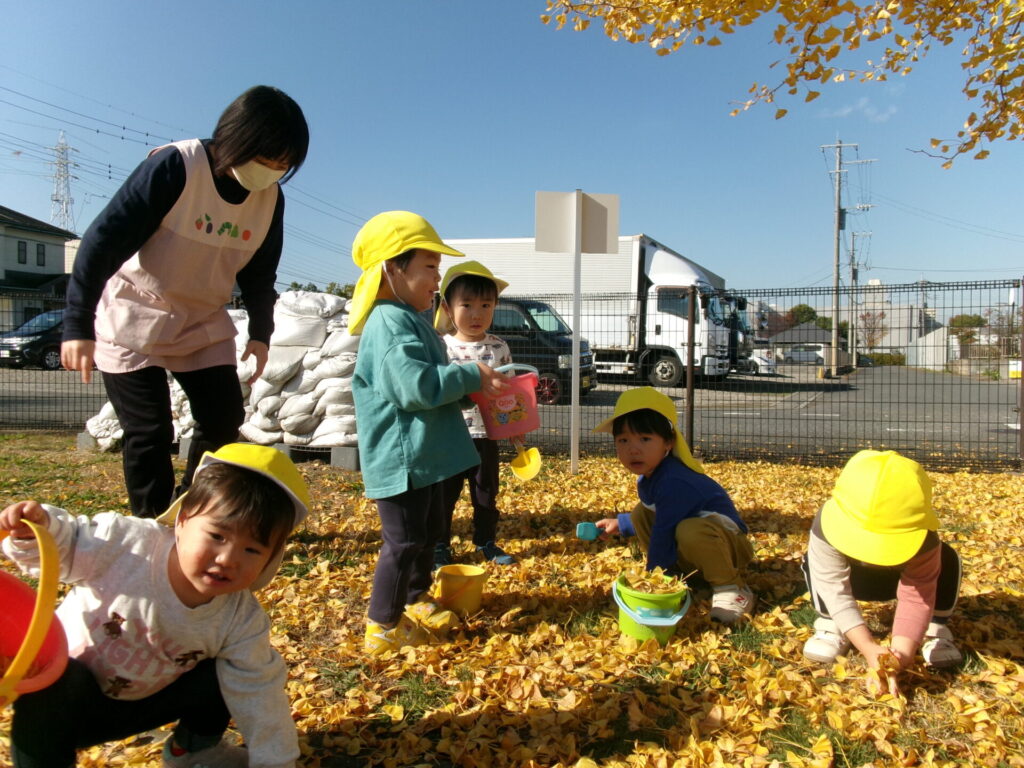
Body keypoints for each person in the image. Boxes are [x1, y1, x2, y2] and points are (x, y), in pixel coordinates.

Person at [61, 85, 310, 519]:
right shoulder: (175, 166)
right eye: (266, 159)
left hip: (200, 319)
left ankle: (190, 508)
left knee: (224, 419)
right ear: (236, 139)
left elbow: (260, 273)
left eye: (283, 165)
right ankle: (150, 520)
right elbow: (101, 242)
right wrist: (76, 324)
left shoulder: (271, 198)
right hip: (133, 313)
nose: (272, 172)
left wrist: (261, 333)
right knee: (149, 432)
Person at [1, 443, 310, 768]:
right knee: (64, 679)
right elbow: (64, 545)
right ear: (182, 520)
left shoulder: (240, 619)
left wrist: (276, 761)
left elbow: (260, 691)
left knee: (228, 673)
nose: (227, 559)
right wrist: (35, 531)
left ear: (271, 560)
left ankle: (191, 751)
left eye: (252, 551)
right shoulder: (124, 545)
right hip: (61, 705)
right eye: (218, 536)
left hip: (140, 704)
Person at [348, 211, 508, 655]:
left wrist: (468, 391)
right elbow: (413, 387)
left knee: (425, 531)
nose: (438, 278)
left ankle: (416, 597)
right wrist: (469, 376)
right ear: (392, 268)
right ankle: (381, 625)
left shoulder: (411, 318)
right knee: (402, 541)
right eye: (430, 267)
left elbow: (433, 386)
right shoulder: (388, 322)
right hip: (402, 458)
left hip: (423, 455)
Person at [801, 449, 963, 694]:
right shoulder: (826, 524)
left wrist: (900, 655)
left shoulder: (925, 540)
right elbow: (832, 586)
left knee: (947, 559)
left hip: (895, 579)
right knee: (816, 565)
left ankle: (934, 627)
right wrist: (867, 647)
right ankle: (831, 622)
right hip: (858, 580)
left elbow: (916, 596)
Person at [592, 387, 755, 624]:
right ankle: (680, 575)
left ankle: (731, 588)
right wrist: (622, 523)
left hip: (730, 548)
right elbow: (652, 513)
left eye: (645, 439)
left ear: (668, 443)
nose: (633, 449)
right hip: (703, 544)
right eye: (623, 440)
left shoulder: (674, 480)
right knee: (640, 513)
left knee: (688, 529)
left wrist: (653, 579)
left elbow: (664, 529)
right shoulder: (650, 475)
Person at [432, 260, 517, 569]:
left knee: (485, 494)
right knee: (443, 496)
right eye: (466, 305)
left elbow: (509, 392)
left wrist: (516, 426)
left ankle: (485, 541)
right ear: (447, 307)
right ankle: (439, 545)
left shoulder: (498, 346)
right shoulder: (441, 346)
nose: (477, 314)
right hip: (448, 437)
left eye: (486, 305)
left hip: (487, 435)